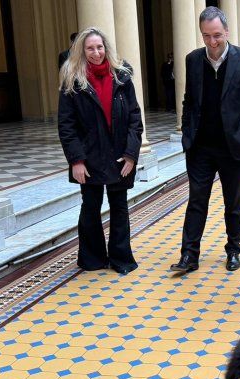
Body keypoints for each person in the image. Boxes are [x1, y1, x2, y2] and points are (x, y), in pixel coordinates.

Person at [170, 7, 240, 274]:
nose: (212, 42)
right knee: (196, 201)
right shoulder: (193, 60)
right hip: (200, 147)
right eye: (206, 36)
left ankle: (233, 250)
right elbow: (189, 101)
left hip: (235, 147)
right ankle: (189, 255)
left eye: (216, 36)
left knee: (233, 204)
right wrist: (187, 136)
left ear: (226, 32)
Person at [58, 27, 143, 275]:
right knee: (90, 206)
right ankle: (93, 258)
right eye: (90, 48)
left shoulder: (122, 76)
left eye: (99, 47)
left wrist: (131, 154)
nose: (96, 52)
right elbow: (66, 125)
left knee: (119, 206)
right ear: (81, 51)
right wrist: (76, 160)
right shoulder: (72, 80)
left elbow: (135, 119)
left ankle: (120, 259)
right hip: (89, 156)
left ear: (106, 48)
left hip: (119, 154)